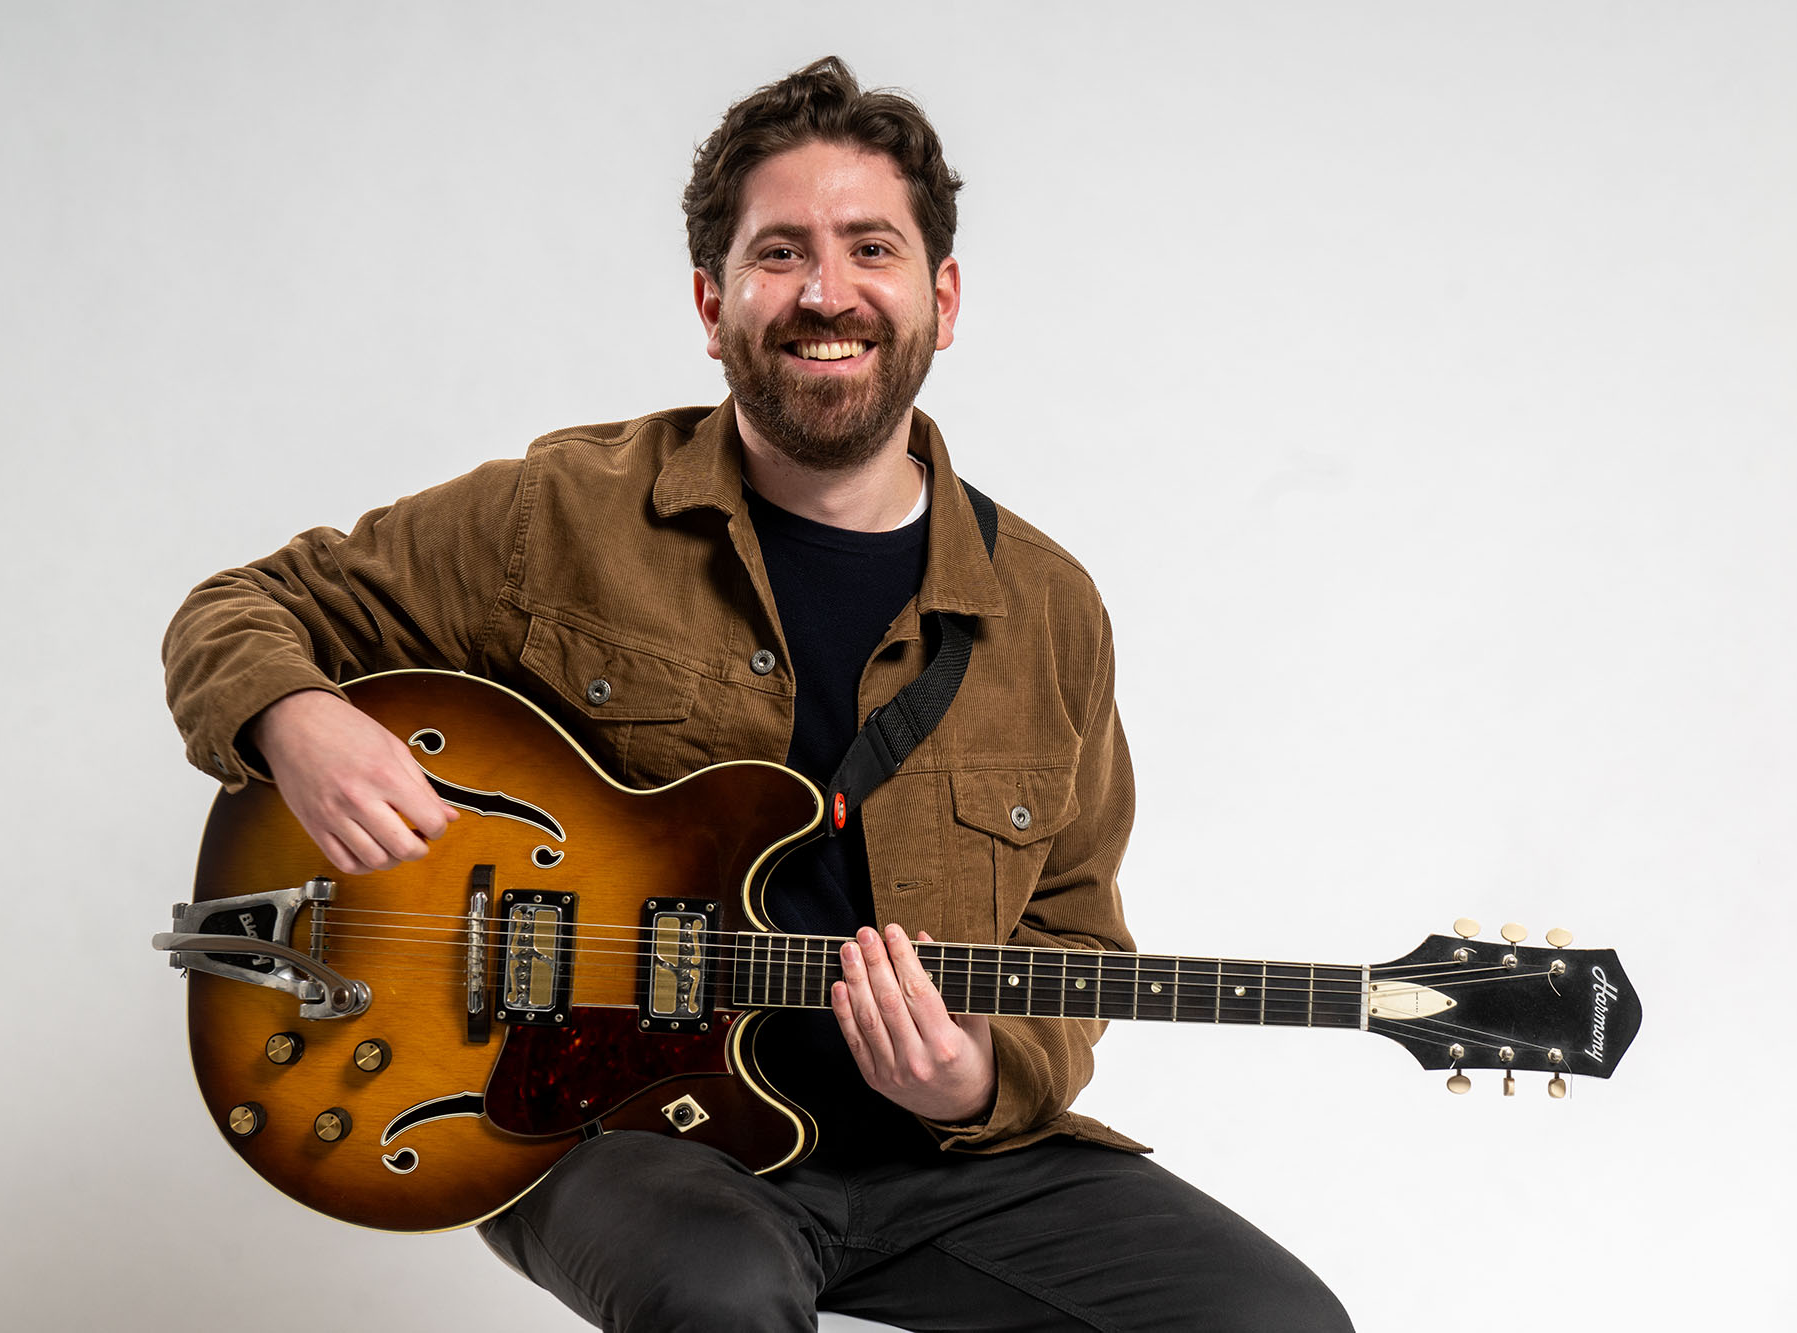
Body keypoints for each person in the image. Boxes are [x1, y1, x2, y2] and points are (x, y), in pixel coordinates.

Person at [163, 56, 1352, 1332]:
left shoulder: (1048, 611)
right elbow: (239, 609)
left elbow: (1073, 938)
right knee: (719, 1293)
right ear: (709, 301)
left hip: (934, 1165)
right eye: (778, 253)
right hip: (599, 1123)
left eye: (869, 250)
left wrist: (973, 1079)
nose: (825, 293)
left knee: (1272, 1322)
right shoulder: (558, 515)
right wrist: (296, 719)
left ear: (940, 298)